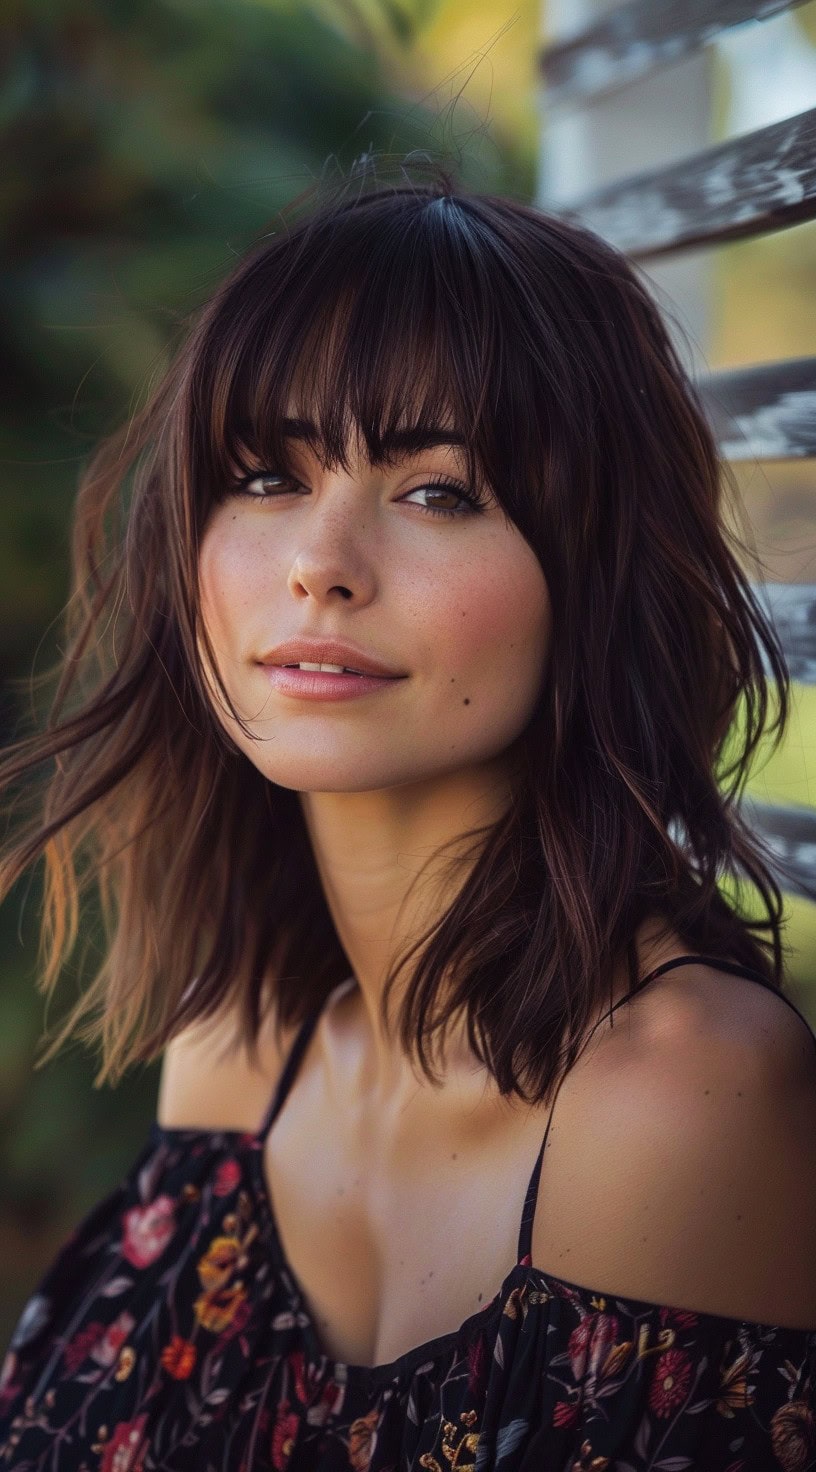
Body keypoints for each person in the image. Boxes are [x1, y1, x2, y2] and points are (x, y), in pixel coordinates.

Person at [0, 159, 814, 1472]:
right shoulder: (240, 1045)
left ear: (589, 572)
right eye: (264, 476)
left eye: (439, 490)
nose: (320, 561)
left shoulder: (676, 1103)